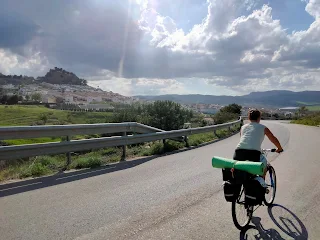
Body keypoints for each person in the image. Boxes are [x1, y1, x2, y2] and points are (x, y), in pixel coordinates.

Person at [234, 109, 283, 188]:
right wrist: (279, 148)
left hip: (238, 152)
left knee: (239, 170)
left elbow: (244, 140)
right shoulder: (263, 128)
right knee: (263, 166)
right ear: (259, 118)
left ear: (249, 118)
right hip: (253, 153)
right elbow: (273, 138)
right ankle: (261, 185)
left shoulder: (243, 127)